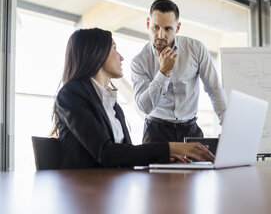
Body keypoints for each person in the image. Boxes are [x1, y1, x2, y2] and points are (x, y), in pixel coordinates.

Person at [52, 28, 214, 169]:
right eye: (114, 48)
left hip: (110, 187)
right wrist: (174, 148)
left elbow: (125, 152)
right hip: (84, 191)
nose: (121, 57)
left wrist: (162, 158)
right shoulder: (71, 95)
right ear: (97, 53)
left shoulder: (111, 103)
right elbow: (106, 153)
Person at [131, 0, 227, 144]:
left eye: (168, 29)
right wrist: (163, 73)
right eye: (155, 27)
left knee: (201, 167)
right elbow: (145, 106)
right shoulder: (139, 61)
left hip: (190, 129)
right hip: (156, 131)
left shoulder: (196, 49)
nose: (161, 35)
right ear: (147, 24)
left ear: (178, 27)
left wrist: (227, 125)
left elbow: (214, 89)